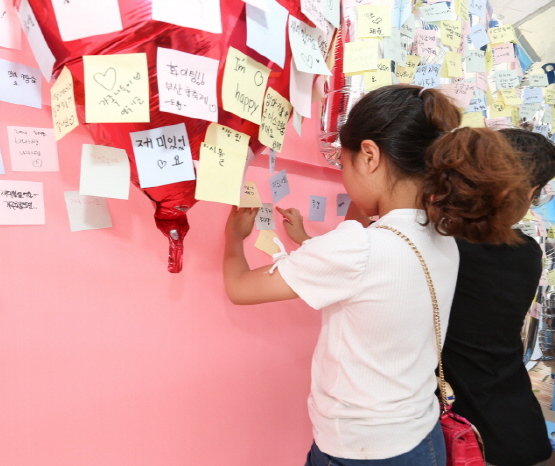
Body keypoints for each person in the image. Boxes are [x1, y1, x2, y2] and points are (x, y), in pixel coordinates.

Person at [223, 84, 531, 465]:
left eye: (343, 163)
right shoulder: (441, 238)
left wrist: (232, 238)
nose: (343, 176)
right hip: (420, 434)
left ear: (369, 155)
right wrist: (307, 239)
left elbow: (239, 287)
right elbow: (368, 276)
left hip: (361, 450)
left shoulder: (359, 248)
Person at [441, 129, 555, 466]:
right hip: (516, 427)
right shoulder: (527, 253)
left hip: (472, 437)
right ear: (528, 193)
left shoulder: (444, 244)